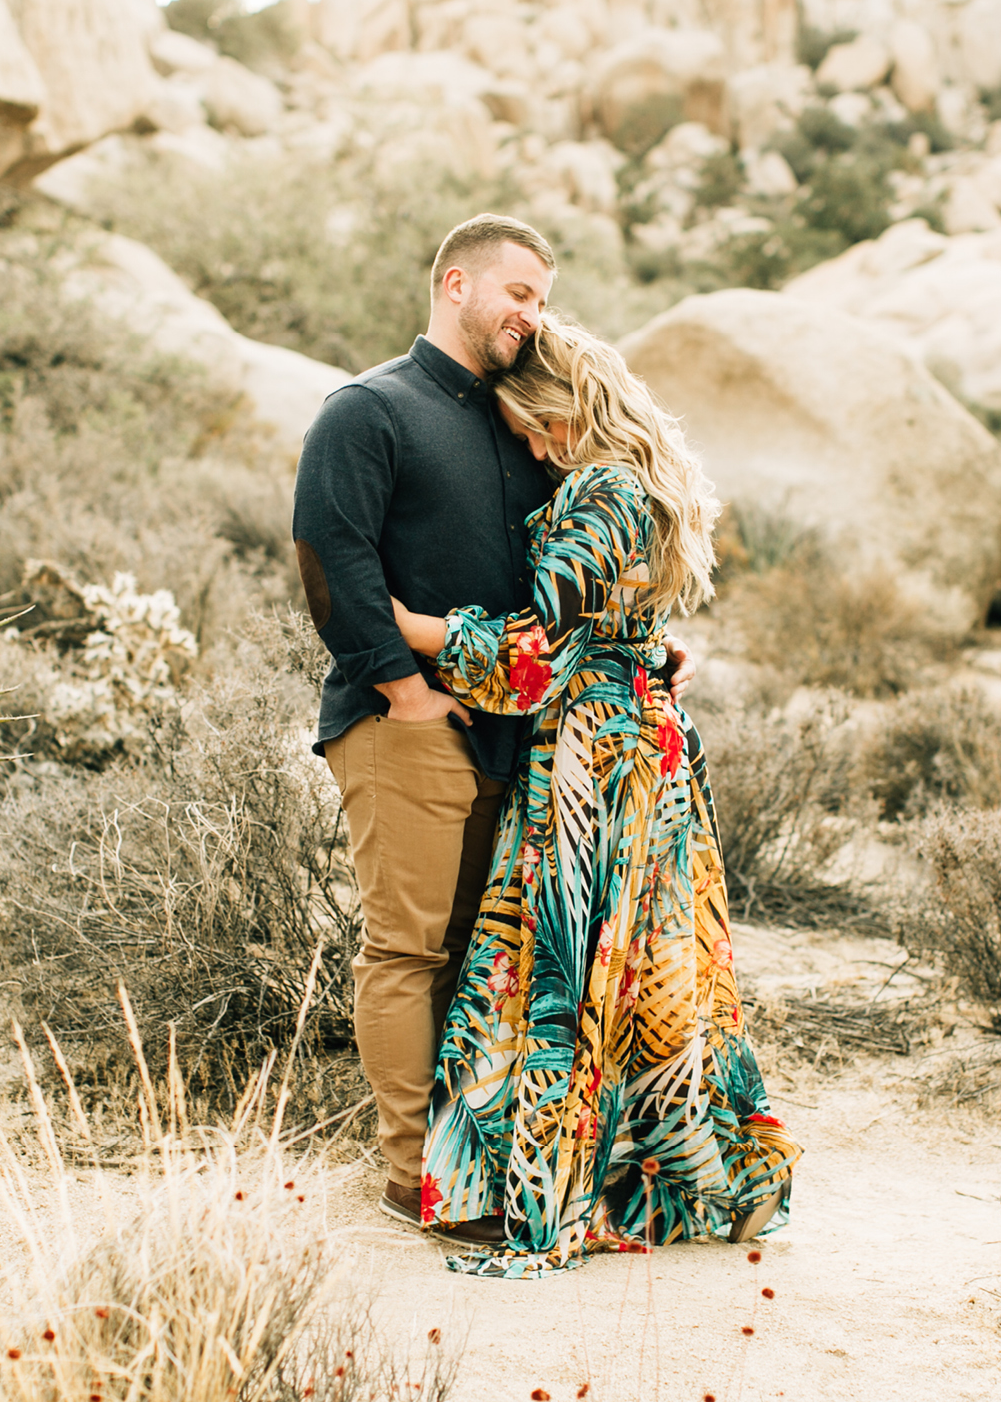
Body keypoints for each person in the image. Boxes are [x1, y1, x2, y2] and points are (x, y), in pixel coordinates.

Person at [290, 214, 691, 1246]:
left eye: (542, 298)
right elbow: (328, 559)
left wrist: (636, 654)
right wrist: (402, 688)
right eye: (516, 291)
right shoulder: (369, 408)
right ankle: (406, 1173)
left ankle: (477, 1168)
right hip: (408, 721)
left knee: (485, 957)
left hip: (525, 731)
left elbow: (570, 587)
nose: (531, 313)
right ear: (455, 281)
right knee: (409, 947)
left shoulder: (523, 422)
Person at [390, 314, 799, 1278]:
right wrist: (652, 656)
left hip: (593, 755)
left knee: (571, 967)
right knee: (641, 962)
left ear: (568, 405)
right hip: (640, 743)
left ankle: (553, 1188)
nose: (531, 447)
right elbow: (620, 626)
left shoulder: (603, 487)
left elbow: (539, 650)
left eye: (533, 426)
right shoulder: (647, 485)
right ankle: (633, 1165)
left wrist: (409, 625)